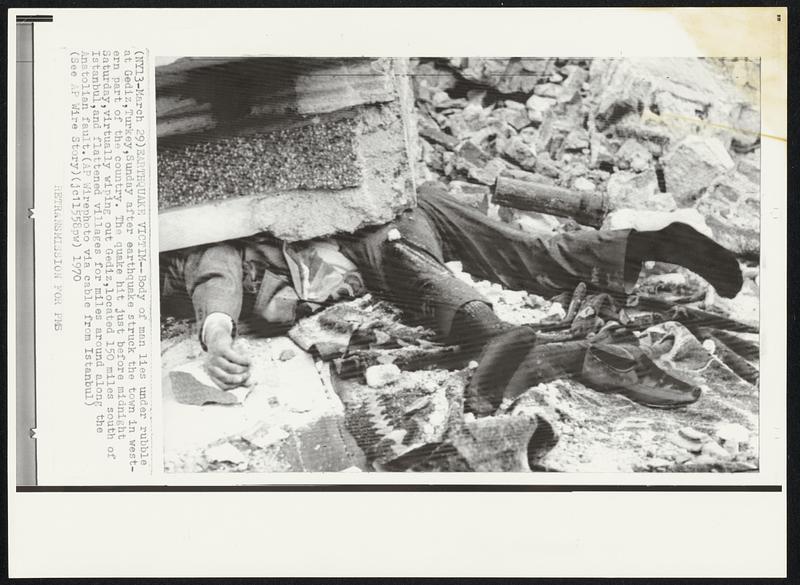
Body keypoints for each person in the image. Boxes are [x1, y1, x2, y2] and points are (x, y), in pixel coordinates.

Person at [160, 181, 744, 410]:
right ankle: (638, 245)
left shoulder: (197, 246)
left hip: (372, 232)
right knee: (524, 256)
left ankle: (497, 343)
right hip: (411, 199)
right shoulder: (200, 243)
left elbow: (213, 273)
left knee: (411, 271)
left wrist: (216, 333)